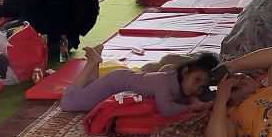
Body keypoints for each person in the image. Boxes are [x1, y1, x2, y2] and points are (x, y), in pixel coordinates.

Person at [60, 45, 218, 117]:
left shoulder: (177, 83)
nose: (197, 87)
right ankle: (92, 62)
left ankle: (95, 61)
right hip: (114, 83)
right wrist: (191, 107)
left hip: (119, 80)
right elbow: (166, 110)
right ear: (185, 72)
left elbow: (207, 96)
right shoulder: (164, 83)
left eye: (201, 85)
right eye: (196, 80)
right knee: (69, 103)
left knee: (89, 92)